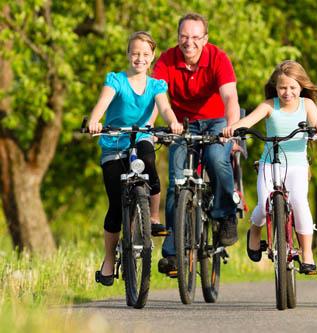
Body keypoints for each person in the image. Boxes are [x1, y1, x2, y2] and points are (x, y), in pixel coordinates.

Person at [87, 31, 183, 286]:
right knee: (116, 206)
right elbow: (103, 102)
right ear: (128, 54)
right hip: (113, 142)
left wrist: (172, 122)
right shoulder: (116, 80)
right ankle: (109, 259)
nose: (139, 58)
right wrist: (95, 121)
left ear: (152, 57)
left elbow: (164, 107)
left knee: (149, 162)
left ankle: (152, 216)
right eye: (135, 53)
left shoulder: (156, 85)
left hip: (141, 136)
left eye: (145, 54)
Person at [152, 13, 241, 276]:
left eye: (194, 37)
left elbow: (230, 97)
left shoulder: (218, 58)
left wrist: (231, 128)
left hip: (216, 121)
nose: (188, 42)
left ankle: (225, 214)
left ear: (205, 39)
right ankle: (172, 253)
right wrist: (160, 125)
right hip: (182, 123)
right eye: (183, 36)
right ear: (177, 37)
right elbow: (158, 97)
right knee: (177, 181)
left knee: (216, 159)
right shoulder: (167, 59)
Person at [223, 60, 317, 275]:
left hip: (297, 165)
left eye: (292, 87)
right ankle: (254, 233)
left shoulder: (307, 105)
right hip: (270, 163)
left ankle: (306, 253)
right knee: (264, 203)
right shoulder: (270, 105)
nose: (287, 92)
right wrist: (232, 129)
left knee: (300, 203)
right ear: (275, 87)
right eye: (282, 87)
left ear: (301, 87)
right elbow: (249, 121)